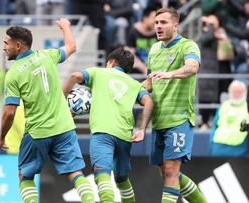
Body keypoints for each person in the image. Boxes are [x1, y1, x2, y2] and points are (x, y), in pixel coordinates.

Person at [0, 18, 95, 203]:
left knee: (25, 176)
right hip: (64, 127)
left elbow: (10, 112)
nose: (4, 47)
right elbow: (71, 46)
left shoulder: (14, 74)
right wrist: (65, 26)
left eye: (6, 43)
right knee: (75, 173)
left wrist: (2, 136)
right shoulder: (47, 55)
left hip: (38, 132)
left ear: (18, 46)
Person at [63, 46, 154, 203]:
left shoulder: (98, 73)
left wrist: (62, 101)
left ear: (111, 62)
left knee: (102, 175)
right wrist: (142, 129)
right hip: (125, 135)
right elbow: (149, 102)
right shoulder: (134, 84)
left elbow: (74, 76)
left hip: (102, 132)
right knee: (121, 178)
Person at [143, 8, 207, 203]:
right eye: (156, 23)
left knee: (171, 170)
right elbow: (149, 83)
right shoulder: (154, 49)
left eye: (163, 22)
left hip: (179, 118)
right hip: (159, 119)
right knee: (167, 173)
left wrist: (169, 74)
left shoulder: (188, 46)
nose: (158, 26)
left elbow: (192, 68)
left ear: (175, 25)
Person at [210, 80, 249, 157]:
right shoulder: (223, 105)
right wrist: (212, 145)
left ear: (245, 93)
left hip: (240, 150)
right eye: (234, 92)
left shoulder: (247, 107)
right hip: (218, 148)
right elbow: (214, 126)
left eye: (239, 92)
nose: (236, 94)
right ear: (229, 92)